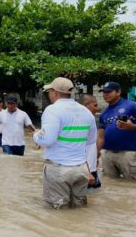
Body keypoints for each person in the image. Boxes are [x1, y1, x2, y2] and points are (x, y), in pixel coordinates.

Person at [33, 77, 97, 209]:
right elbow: (90, 142)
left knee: (58, 212)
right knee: (80, 208)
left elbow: (47, 140)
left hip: (59, 169)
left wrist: (36, 135)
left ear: (54, 92)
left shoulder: (52, 110)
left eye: (49, 91)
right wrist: (90, 170)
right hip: (81, 169)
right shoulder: (86, 111)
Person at [98, 82, 136, 182]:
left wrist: (131, 126)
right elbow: (100, 137)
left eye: (108, 92)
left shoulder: (133, 106)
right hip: (107, 154)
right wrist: (96, 154)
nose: (105, 94)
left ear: (118, 92)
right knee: (110, 184)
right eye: (104, 92)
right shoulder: (104, 113)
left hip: (129, 153)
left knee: (133, 184)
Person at [78, 94, 101, 188]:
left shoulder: (89, 119)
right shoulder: (83, 120)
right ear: (86, 106)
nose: (97, 109)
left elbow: (91, 144)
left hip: (89, 166)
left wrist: (95, 157)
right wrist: (87, 170)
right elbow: (79, 146)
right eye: (95, 105)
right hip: (85, 168)